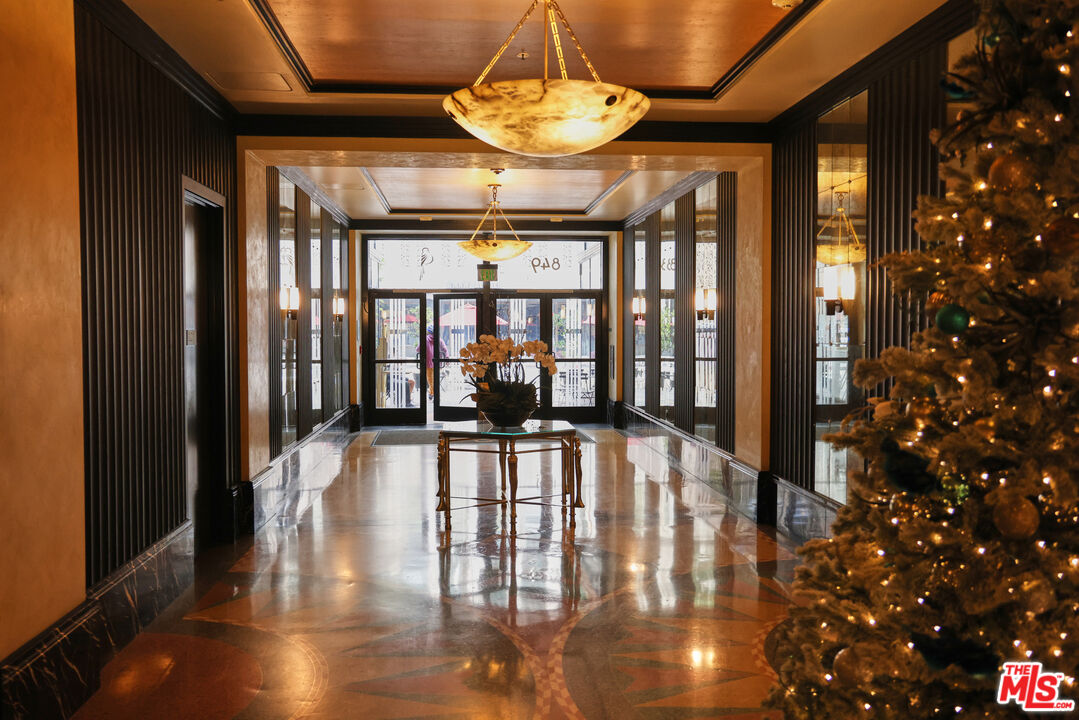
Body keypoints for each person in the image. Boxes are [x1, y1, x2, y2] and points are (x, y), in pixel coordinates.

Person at [418, 326, 449, 399]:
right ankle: (433, 393)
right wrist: (447, 358)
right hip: (437, 363)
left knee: (430, 379)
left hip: (428, 362)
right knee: (435, 378)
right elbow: (445, 349)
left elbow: (418, 349)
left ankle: (433, 393)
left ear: (427, 332)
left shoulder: (424, 339)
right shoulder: (439, 340)